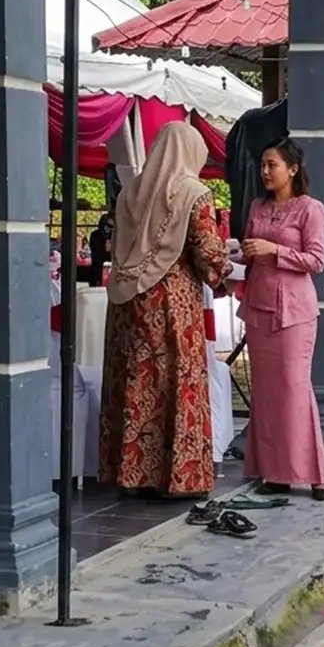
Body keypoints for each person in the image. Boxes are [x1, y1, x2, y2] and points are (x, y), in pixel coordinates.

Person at [98, 121, 230, 500]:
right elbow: (208, 254)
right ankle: (177, 478)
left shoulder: (129, 194)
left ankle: (132, 473)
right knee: (176, 381)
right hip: (172, 304)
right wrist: (224, 273)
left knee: (135, 384)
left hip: (126, 302)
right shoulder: (193, 193)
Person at [239, 137, 324, 499]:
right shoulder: (256, 207)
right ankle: (273, 471)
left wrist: (275, 250)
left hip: (294, 311)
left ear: (292, 169)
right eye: (262, 164)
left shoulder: (311, 209)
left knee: (294, 388)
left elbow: (316, 261)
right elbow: (250, 250)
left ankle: (315, 474)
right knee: (266, 392)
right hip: (259, 305)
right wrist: (242, 251)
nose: (265, 171)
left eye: (272, 164)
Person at [84, 212, 114, 286]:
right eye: (109, 226)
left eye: (112, 227)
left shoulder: (115, 236)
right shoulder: (95, 235)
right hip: (97, 265)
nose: (110, 229)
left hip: (111, 265)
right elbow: (96, 252)